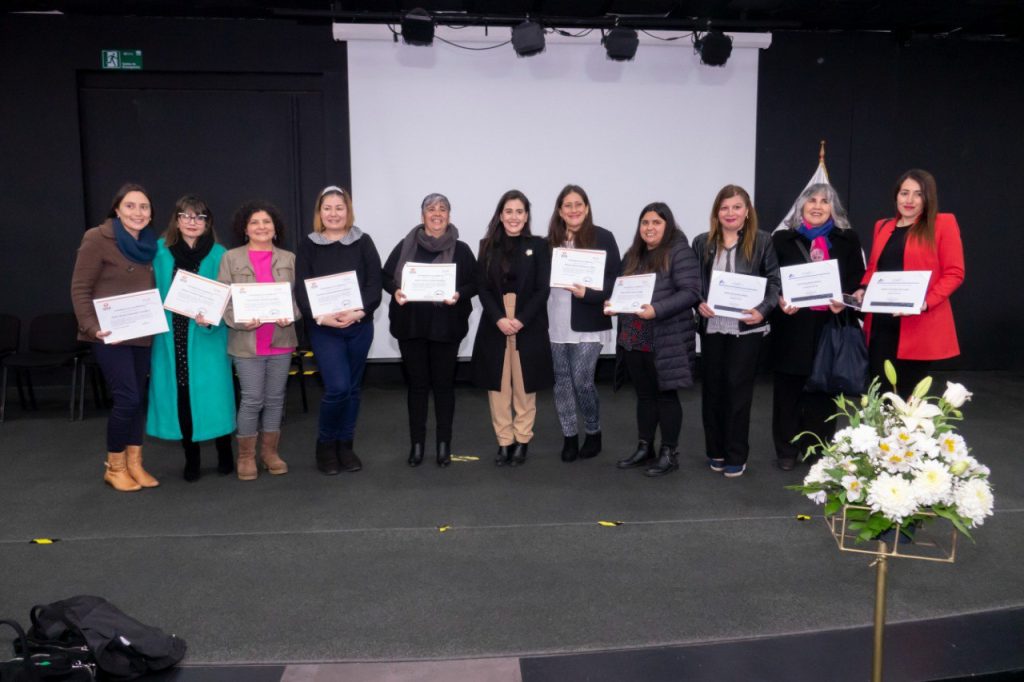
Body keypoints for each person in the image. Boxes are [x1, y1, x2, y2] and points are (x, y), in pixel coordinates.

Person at [70, 183, 161, 492]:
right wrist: (91, 326)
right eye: (131, 205)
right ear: (117, 209)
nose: (138, 212)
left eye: (144, 207)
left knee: (139, 398)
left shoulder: (151, 244)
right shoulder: (97, 238)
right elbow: (80, 288)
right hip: (108, 334)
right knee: (127, 398)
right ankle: (115, 466)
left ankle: (135, 464)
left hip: (141, 332)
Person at [770, 183, 865, 471]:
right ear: (801, 206)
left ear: (833, 208)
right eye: (812, 200)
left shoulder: (847, 239)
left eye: (825, 201)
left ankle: (817, 449)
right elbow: (770, 279)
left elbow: (858, 281)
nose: (818, 206)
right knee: (787, 391)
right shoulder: (782, 239)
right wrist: (779, 298)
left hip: (830, 326)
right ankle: (786, 450)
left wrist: (845, 300)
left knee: (823, 392)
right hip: (791, 324)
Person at [382, 193, 478, 467]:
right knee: (417, 386)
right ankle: (417, 444)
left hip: (446, 328)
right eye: (431, 209)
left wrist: (459, 294)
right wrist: (396, 290)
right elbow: (385, 276)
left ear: (449, 215)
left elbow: (476, 283)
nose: (437, 213)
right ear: (422, 215)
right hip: (411, 327)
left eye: (443, 209)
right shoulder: (406, 245)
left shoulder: (461, 250)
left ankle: (444, 444)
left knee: (444, 386)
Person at [693, 185, 780, 478]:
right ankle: (715, 450)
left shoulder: (763, 241)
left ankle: (735, 455)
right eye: (724, 208)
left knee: (738, 391)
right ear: (717, 212)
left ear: (747, 211)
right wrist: (698, 303)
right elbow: (694, 284)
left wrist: (763, 309)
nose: (730, 213)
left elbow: (774, 282)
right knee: (713, 390)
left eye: (736, 207)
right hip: (713, 326)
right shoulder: (702, 242)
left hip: (748, 328)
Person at [147, 196, 236, 482]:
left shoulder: (221, 254)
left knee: (215, 398)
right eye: (186, 216)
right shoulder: (159, 252)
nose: (192, 222)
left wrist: (212, 317)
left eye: (199, 217)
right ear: (176, 219)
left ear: (208, 222)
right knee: (182, 397)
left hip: (208, 337)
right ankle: (192, 458)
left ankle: (225, 453)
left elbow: (229, 297)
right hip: (172, 340)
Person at [609, 202, 700, 477]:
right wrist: (612, 303)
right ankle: (645, 447)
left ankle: (669, 453)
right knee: (645, 396)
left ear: (667, 225)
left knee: (666, 396)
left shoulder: (679, 252)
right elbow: (621, 290)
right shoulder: (633, 255)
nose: (649, 228)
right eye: (645, 222)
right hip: (635, 338)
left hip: (665, 337)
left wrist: (657, 310)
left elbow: (691, 292)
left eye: (656, 222)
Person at [854, 169, 964, 396]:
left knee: (907, 400)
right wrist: (862, 290)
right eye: (904, 193)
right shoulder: (882, 226)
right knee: (879, 397)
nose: (909, 200)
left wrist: (925, 302)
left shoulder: (943, 223)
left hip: (917, 324)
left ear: (928, 198)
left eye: (918, 194)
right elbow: (874, 268)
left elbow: (954, 272)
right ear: (896, 196)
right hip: (881, 325)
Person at [296, 186, 382, 475]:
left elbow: (374, 285)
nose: (334, 213)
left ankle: (346, 445)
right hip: (324, 328)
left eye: (339, 208)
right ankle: (325, 444)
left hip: (359, 326)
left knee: (353, 389)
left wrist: (358, 312)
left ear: (348, 211)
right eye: (328, 208)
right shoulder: (308, 245)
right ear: (320, 213)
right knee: (338, 388)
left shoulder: (364, 242)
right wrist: (323, 318)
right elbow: (302, 289)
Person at [218, 200, 299, 481]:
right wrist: (240, 320)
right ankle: (246, 456)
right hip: (246, 340)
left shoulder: (288, 258)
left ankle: (270, 453)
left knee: (276, 399)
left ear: (275, 229)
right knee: (252, 399)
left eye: (266, 222)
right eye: (255, 222)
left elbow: (297, 299)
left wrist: (291, 315)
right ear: (245, 229)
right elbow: (224, 300)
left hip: (281, 338)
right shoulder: (231, 258)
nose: (261, 227)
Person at [471, 189, 553, 467]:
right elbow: (481, 287)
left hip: (527, 324)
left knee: (524, 387)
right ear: (500, 215)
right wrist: (499, 319)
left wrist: (520, 320)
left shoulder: (540, 246)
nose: (514, 217)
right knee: (498, 389)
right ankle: (504, 441)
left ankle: (522, 441)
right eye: (509, 211)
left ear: (527, 215)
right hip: (496, 324)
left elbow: (543, 289)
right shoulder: (486, 246)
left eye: (519, 211)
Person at [546, 184, 621, 462]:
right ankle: (569, 436)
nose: (573, 209)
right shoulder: (550, 241)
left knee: (582, 381)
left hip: (590, 322)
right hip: (556, 322)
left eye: (578, 204)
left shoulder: (603, 237)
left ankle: (593, 430)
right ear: (560, 211)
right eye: (568, 205)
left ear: (586, 208)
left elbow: (614, 281)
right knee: (562, 382)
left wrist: (587, 294)